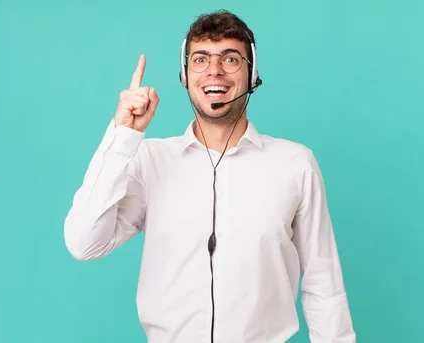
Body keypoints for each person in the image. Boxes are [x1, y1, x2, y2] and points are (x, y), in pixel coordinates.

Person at [63, 9, 356, 343]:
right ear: (185, 75)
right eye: (200, 59)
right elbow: (84, 243)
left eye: (230, 59)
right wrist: (122, 136)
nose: (214, 70)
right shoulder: (149, 160)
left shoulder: (296, 164)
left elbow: (324, 285)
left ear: (252, 73)